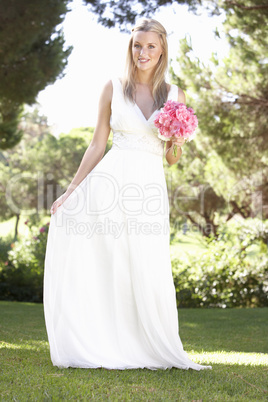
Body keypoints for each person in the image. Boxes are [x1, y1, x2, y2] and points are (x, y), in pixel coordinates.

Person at [44, 18, 211, 371]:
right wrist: (71, 191)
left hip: (148, 188)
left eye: (151, 46)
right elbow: (96, 144)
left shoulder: (175, 94)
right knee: (111, 262)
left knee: (146, 262)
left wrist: (177, 143)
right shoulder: (113, 87)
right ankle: (102, 340)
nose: (143, 52)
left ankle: (146, 344)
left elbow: (171, 159)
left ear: (162, 48)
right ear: (130, 48)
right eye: (137, 45)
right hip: (110, 183)